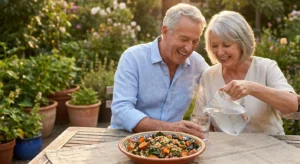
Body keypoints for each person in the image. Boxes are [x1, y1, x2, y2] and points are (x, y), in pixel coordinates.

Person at [109, 3, 209, 138]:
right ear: (165, 31)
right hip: (124, 137)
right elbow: (122, 111)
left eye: (195, 41)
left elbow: (218, 85)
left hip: (170, 145)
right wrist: (170, 128)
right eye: (183, 39)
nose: (188, 48)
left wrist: (246, 86)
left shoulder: (197, 63)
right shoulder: (133, 58)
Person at [194, 10, 298, 135]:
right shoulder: (208, 76)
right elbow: (200, 121)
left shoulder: (266, 67)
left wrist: (252, 88)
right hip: (227, 150)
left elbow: (292, 104)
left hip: (270, 147)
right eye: (214, 46)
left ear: (242, 43)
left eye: (226, 45)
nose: (220, 52)